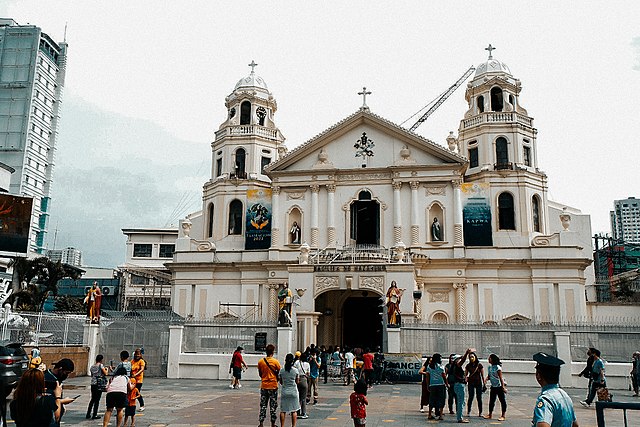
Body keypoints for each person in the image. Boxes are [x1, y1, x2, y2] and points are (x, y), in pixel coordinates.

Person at [532, 352, 579, 427]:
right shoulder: (564, 395)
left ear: (538, 376)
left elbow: (543, 425)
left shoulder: (546, 399)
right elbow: (575, 424)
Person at [44, 358, 76, 426]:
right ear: (60, 369)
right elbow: (46, 400)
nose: (66, 375)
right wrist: (62, 401)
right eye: (66, 373)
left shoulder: (58, 379)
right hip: (50, 418)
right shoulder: (48, 379)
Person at [258, 344, 281, 427]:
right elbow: (279, 373)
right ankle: (273, 423)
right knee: (273, 406)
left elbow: (260, 373)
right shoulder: (275, 362)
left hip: (264, 385)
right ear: (273, 352)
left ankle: (261, 423)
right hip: (273, 386)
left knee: (263, 405)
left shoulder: (261, 362)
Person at [451, 349, 473, 423]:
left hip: (458, 385)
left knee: (461, 402)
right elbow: (462, 361)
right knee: (461, 402)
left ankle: (460, 416)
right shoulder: (457, 366)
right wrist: (466, 353)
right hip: (459, 385)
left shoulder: (454, 367)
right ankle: (460, 418)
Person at [484, 353, 507, 421]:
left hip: (499, 386)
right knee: (491, 401)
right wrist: (485, 380)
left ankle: (503, 415)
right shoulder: (489, 367)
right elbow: (489, 376)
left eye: (489, 358)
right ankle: (490, 414)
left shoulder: (498, 367)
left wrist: (503, 387)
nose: (488, 359)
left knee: (502, 401)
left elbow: (500, 377)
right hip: (493, 386)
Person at [279, 353, 300, 427]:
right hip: (293, 391)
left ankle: (282, 425)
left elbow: (281, 382)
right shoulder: (295, 370)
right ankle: (293, 426)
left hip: (285, 391)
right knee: (294, 410)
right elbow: (297, 382)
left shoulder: (282, 371)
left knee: (283, 410)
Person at [426, 353, 448, 420]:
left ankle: (429, 414)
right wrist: (447, 384)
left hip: (432, 385)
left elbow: (427, 376)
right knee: (441, 399)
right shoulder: (441, 367)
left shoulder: (429, 366)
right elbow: (444, 376)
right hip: (441, 385)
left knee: (432, 399)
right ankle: (440, 415)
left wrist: (428, 385)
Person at [87, 354, 109, 419]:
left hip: (93, 383)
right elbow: (106, 373)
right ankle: (94, 414)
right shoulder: (101, 365)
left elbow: (92, 375)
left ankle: (88, 413)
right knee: (97, 400)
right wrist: (107, 369)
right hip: (99, 384)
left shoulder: (92, 366)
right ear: (101, 360)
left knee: (92, 399)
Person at [465, 351, 485, 417]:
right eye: (470, 357)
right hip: (471, 382)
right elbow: (465, 374)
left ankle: (480, 412)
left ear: (475, 357)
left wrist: (484, 383)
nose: (471, 358)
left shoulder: (479, 365)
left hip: (478, 382)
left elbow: (482, 375)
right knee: (471, 397)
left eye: (472, 357)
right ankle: (468, 411)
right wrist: (465, 379)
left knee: (479, 397)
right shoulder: (468, 365)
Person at [293, 351, 309, 419]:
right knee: (303, 398)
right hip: (304, 380)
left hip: (297, 379)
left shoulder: (297, 362)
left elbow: (293, 369)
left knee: (297, 397)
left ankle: (297, 411)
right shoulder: (307, 364)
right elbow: (308, 373)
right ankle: (304, 412)